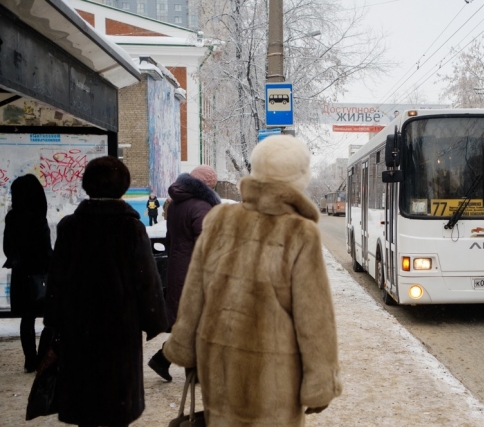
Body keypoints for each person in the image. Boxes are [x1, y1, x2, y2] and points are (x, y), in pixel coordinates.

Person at [163, 135, 342, 426]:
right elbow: (314, 317)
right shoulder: (299, 233)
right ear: (300, 178)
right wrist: (321, 381)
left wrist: (183, 345)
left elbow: (194, 292)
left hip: (218, 366)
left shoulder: (220, 219)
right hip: (274, 377)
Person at [43, 156, 168, 427]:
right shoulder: (131, 228)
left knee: (84, 398)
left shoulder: (70, 227)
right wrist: (154, 320)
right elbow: (146, 279)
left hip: (78, 325)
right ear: (122, 187)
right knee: (116, 401)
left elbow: (57, 281)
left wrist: (54, 322)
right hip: (119, 328)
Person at [147, 165, 221, 382]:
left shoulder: (177, 204)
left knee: (191, 320)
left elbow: (171, 238)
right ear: (207, 186)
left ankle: (168, 360)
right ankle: (174, 362)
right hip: (196, 271)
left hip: (179, 267)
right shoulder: (201, 206)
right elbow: (207, 243)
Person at [2, 174, 53, 373]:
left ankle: (30, 360)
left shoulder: (13, 217)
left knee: (27, 318)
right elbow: (45, 249)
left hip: (22, 275)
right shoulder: (39, 218)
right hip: (40, 276)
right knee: (50, 319)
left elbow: (8, 247)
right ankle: (42, 358)